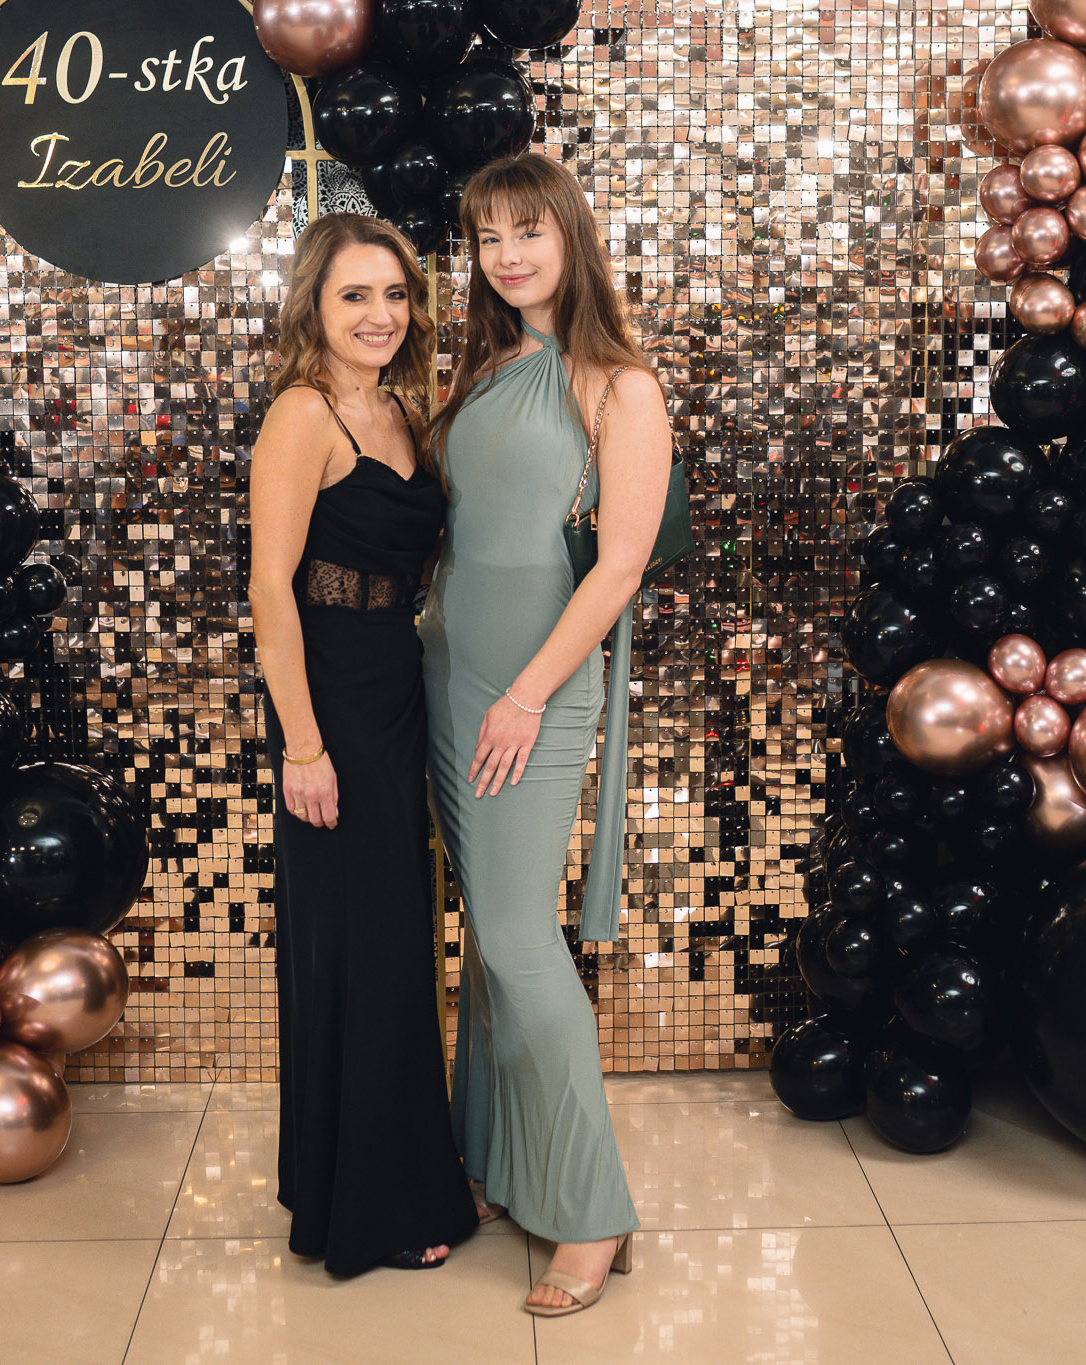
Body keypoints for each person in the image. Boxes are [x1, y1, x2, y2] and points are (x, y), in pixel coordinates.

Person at [421, 151, 674, 1317]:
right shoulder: (484, 368)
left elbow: (617, 567)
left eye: (527, 230)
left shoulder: (617, 385)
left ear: (570, 235)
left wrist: (525, 694)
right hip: (445, 676)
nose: (506, 254)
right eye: (487, 237)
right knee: (484, 935)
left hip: (532, 687)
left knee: (520, 939)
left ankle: (589, 1208)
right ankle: (491, 1159)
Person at [247, 212, 477, 1276]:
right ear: (315, 306)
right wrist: (302, 745)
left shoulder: (400, 410)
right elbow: (270, 589)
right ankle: (369, 1209)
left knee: (388, 938)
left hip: (394, 683)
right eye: (355, 295)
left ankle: (367, 1179)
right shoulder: (303, 413)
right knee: (359, 941)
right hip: (328, 697)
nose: (379, 314)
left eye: (394, 294)